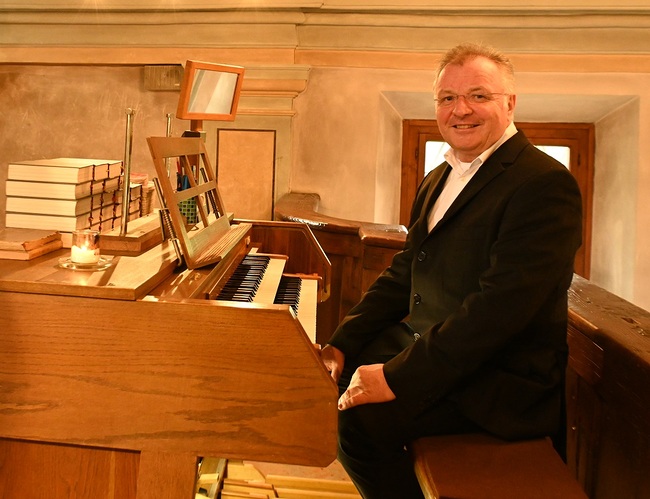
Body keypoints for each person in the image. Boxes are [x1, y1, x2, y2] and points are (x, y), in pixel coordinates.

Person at [320, 43, 583, 499]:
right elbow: (406, 271)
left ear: (510, 103)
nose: (460, 110)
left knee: (356, 421)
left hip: (501, 380)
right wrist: (343, 343)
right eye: (447, 98)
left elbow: (498, 311)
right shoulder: (440, 176)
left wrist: (396, 377)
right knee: (331, 383)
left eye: (478, 96)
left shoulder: (543, 183)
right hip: (442, 350)